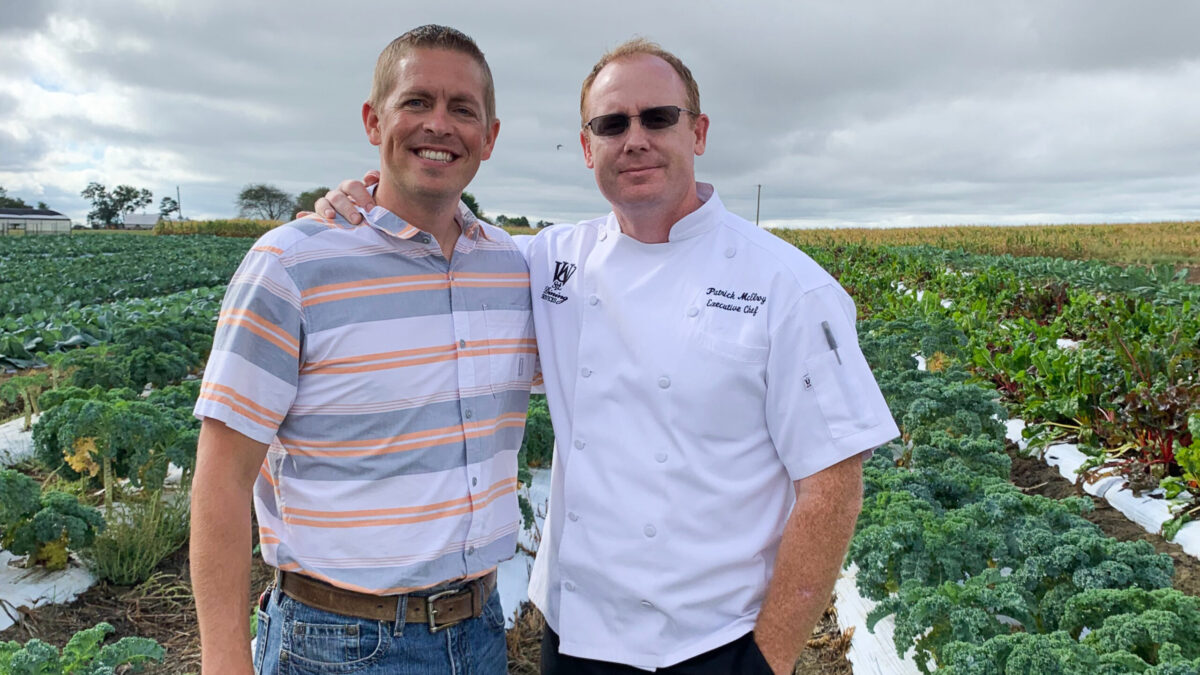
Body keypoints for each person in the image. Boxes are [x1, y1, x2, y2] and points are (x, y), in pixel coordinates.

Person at [318, 38, 899, 675]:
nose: (635, 139)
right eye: (612, 124)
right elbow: (441, 248)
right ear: (588, 145)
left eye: (658, 118)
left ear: (697, 132)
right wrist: (364, 204)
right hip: (572, 636)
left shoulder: (788, 286)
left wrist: (769, 660)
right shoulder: (548, 261)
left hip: (711, 645)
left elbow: (832, 488)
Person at [189, 25, 534, 675]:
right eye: (416, 102)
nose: (440, 124)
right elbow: (221, 479)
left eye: (463, 109)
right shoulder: (291, 264)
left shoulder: (513, 269)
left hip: (482, 629)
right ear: (374, 120)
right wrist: (224, 660)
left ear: (489, 136)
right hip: (338, 642)